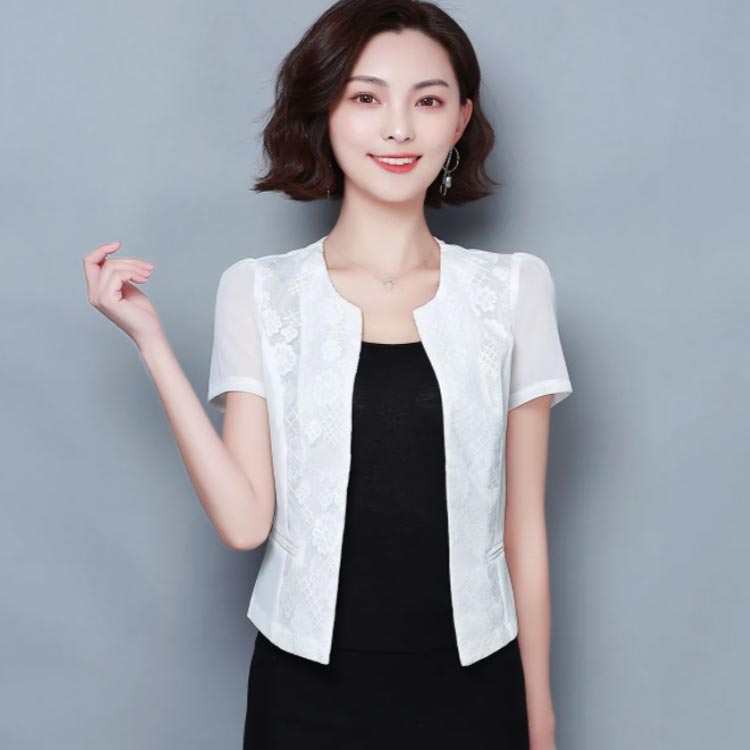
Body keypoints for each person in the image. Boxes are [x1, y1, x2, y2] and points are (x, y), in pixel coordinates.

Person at [83, 1, 572, 748]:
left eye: (428, 101)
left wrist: (539, 715)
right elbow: (245, 523)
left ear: (461, 120)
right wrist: (151, 343)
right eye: (366, 98)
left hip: (477, 692)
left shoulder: (512, 290)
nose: (398, 129)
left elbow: (524, 531)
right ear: (326, 112)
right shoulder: (259, 290)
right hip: (306, 698)